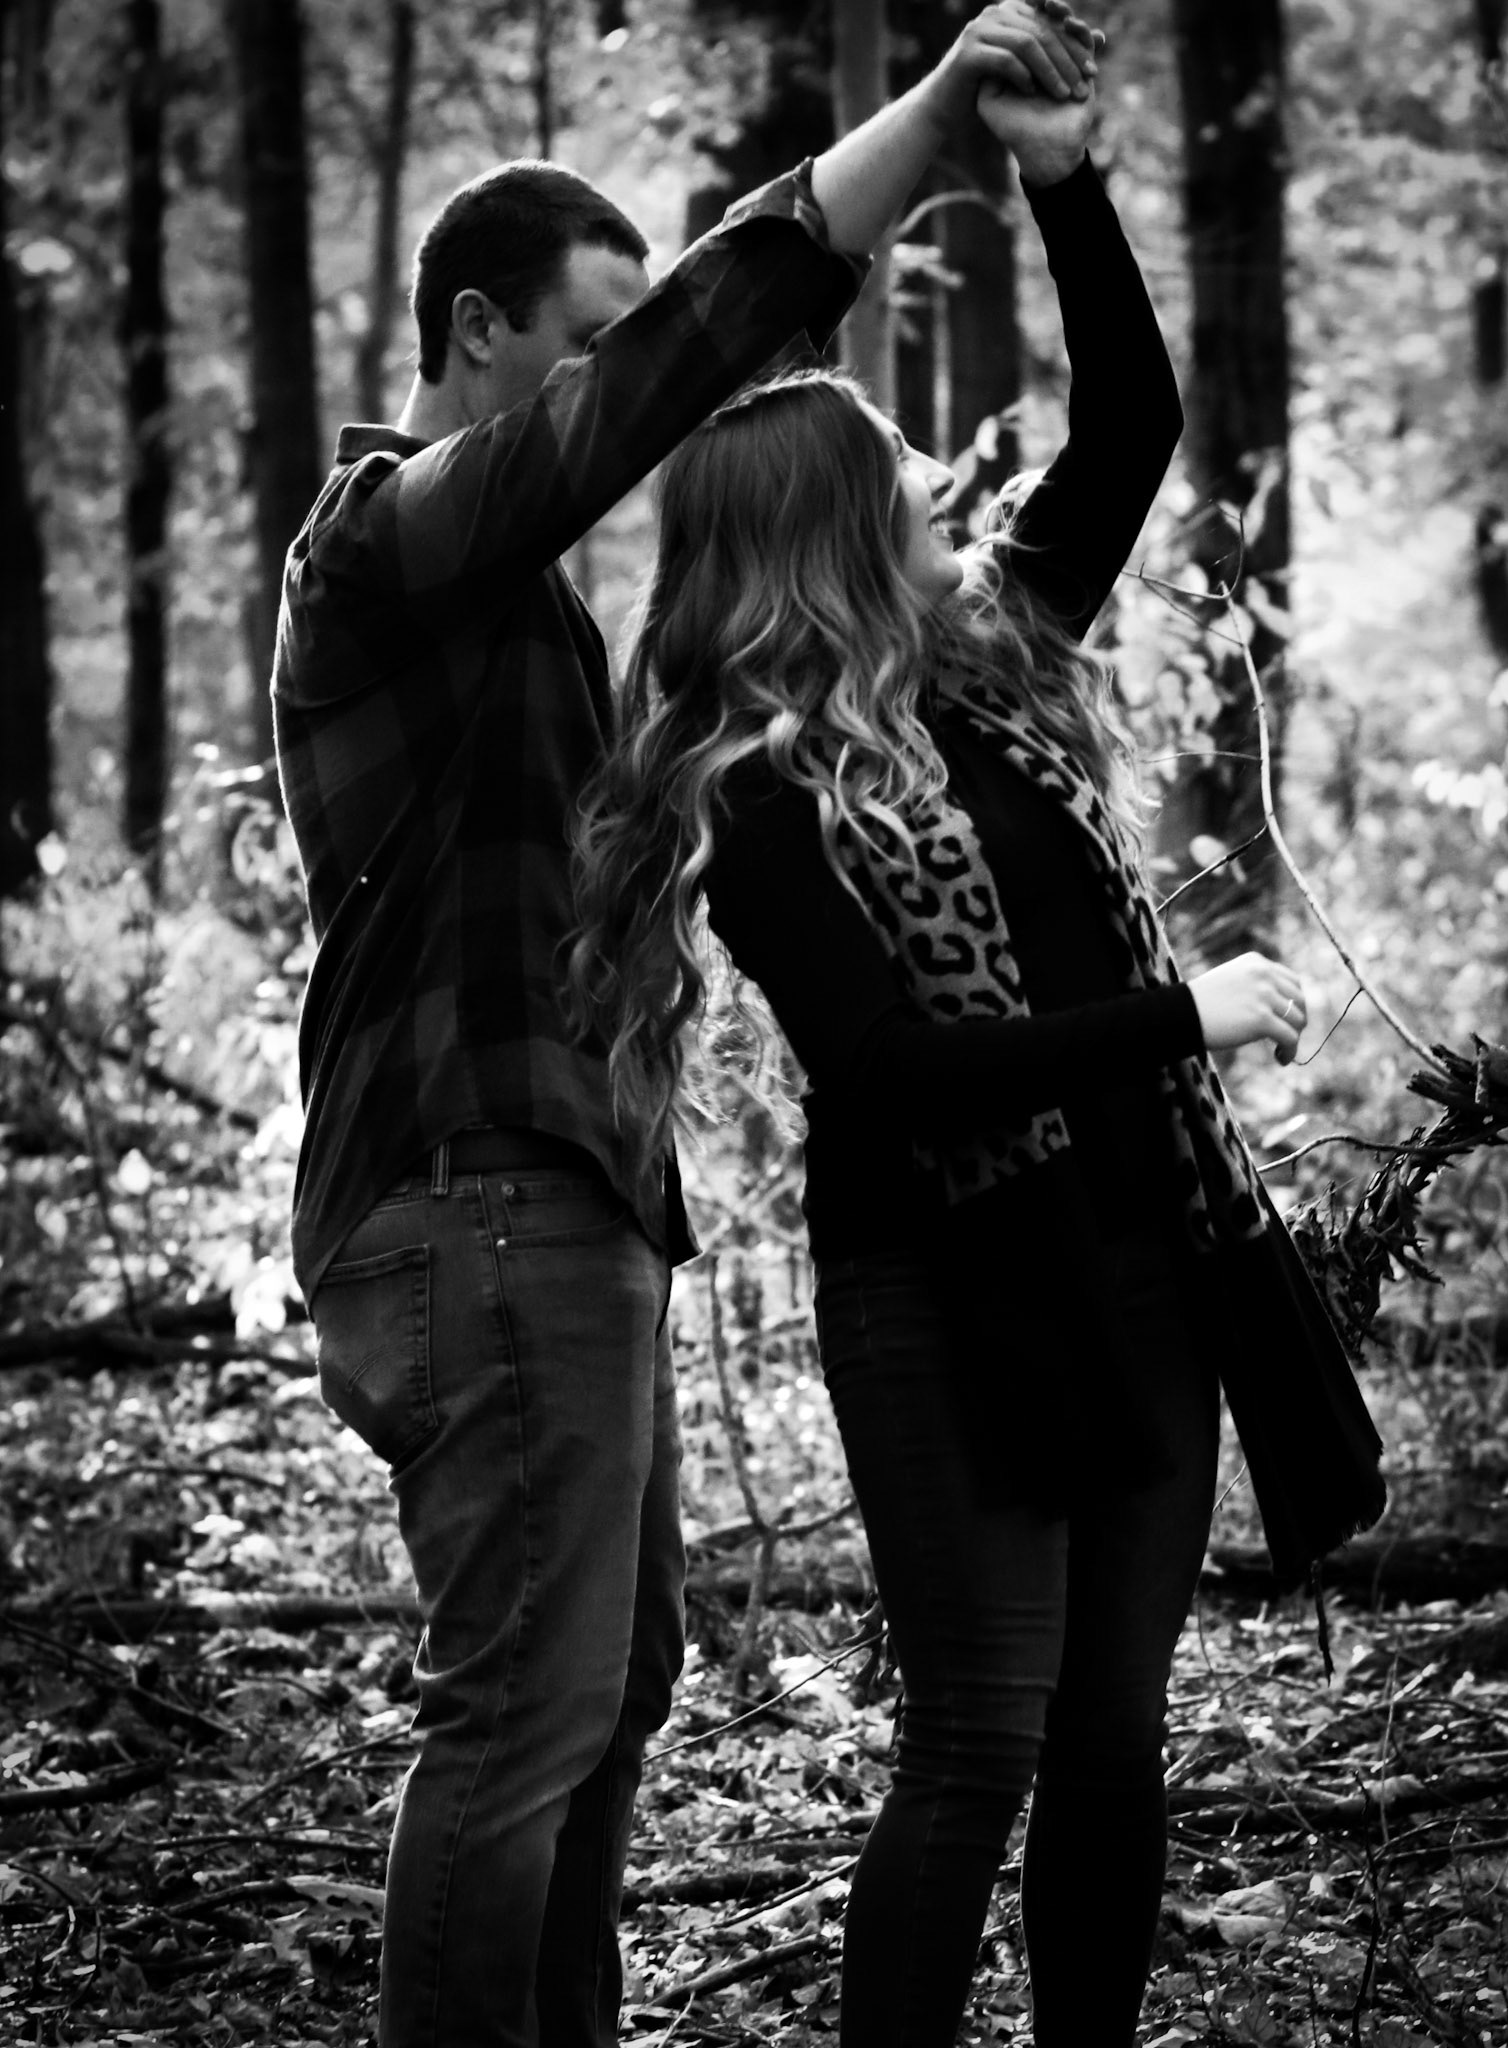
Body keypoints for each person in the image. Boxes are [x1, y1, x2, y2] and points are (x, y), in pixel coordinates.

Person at [269, 7, 1103, 2046]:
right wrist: (929, 121)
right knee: (521, 1714)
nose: (616, 393)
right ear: (474, 333)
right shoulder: (375, 545)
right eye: (582, 344)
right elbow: (659, 386)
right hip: (473, 1200)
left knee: (607, 1689)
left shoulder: (524, 618)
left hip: (559, 1207)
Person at [569, 24, 1387, 2048]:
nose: (953, 496)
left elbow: (1131, 423)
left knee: (1114, 1740)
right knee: (979, 1745)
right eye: (908, 488)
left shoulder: (998, 663)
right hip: (946, 1301)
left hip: (1144, 1266)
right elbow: (887, 1076)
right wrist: (1176, 1013)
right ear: (831, 536)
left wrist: (1064, 178)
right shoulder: (754, 792)